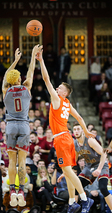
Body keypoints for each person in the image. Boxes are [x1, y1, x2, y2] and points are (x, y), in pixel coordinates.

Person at [36, 47, 94, 212]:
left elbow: (46, 80)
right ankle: (71, 202)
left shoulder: (58, 99)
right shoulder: (68, 104)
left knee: (68, 171)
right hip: (68, 138)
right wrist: (86, 131)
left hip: (61, 138)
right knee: (68, 172)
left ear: (64, 93)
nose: (57, 88)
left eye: (60, 88)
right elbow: (80, 118)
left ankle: (83, 199)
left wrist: (41, 61)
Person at [2, 46, 40, 207]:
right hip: (24, 126)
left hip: (10, 126)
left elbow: (5, 77)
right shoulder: (26, 87)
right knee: (22, 161)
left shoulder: (5, 90)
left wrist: (15, 61)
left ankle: (12, 190)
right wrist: (32, 56)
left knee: (12, 161)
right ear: (19, 79)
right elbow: (31, 71)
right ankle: (22, 191)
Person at [72, 123, 112, 213]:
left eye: (78, 129)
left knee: (103, 188)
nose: (76, 131)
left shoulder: (90, 140)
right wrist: (65, 172)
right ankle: (77, 208)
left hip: (101, 164)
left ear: (82, 130)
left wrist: (99, 169)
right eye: (74, 130)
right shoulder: (75, 144)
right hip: (89, 166)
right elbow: (74, 160)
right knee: (76, 185)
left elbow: (103, 153)